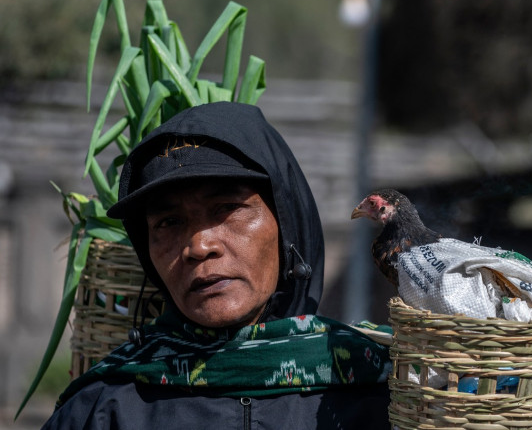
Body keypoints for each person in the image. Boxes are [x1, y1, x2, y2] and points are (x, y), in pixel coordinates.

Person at [42, 102, 392, 429]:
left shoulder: (382, 393)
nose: (199, 246)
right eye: (168, 222)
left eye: (227, 208)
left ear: (287, 224)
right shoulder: (103, 407)